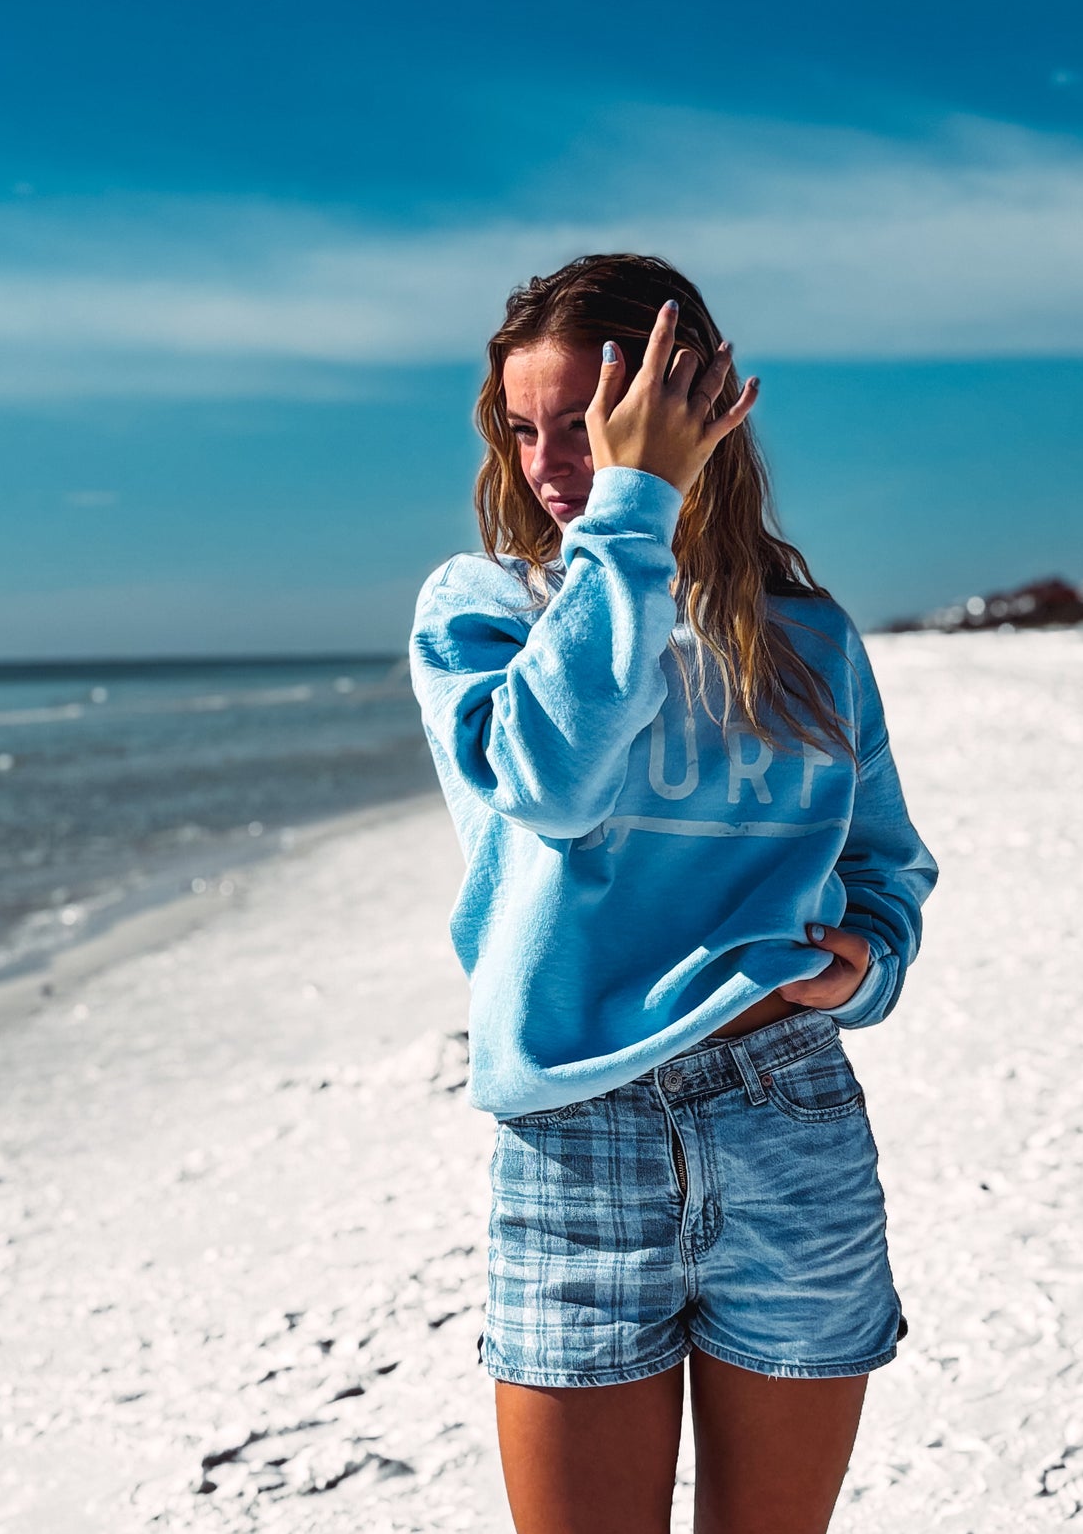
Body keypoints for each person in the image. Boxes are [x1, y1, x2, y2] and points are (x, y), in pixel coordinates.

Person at [409, 253, 938, 1534]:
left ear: (695, 407)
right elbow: (551, 781)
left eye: (585, 426)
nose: (548, 465)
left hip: (785, 1122)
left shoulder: (806, 637)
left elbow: (885, 864)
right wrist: (630, 511)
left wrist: (861, 961)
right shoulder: (480, 609)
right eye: (522, 430)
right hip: (574, 1142)